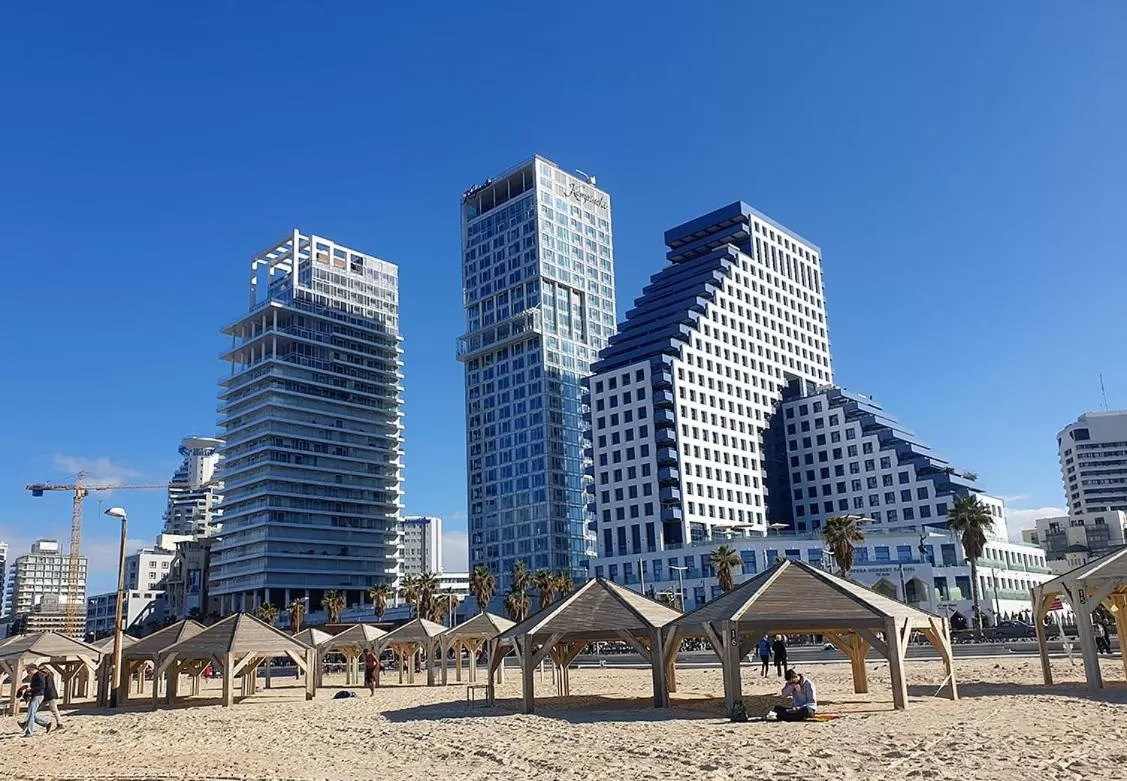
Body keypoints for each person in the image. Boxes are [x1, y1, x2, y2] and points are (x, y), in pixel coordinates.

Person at [21, 664, 52, 737]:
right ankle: (45, 723)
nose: (28, 673)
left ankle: (29, 732)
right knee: (32, 713)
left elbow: (42, 686)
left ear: (32, 669)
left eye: (28, 671)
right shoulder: (35, 676)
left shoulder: (39, 675)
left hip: (38, 696)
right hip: (36, 695)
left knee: (31, 713)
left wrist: (31, 689)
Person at [41, 668, 65, 732]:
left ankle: (60, 724)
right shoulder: (49, 677)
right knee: (35, 709)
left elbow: (48, 688)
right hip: (49, 696)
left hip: (50, 696)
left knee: (54, 710)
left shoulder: (48, 678)